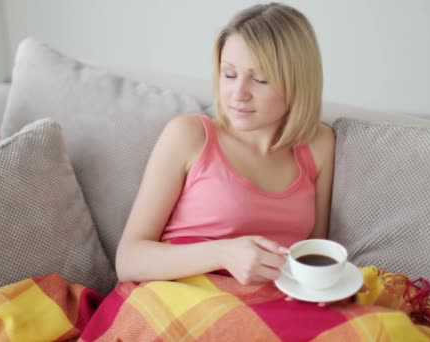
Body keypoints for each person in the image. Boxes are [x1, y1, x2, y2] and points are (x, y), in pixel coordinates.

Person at [116, 2, 335, 288]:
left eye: (260, 79)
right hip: (180, 297)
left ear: (297, 84)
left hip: (271, 306)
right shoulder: (189, 135)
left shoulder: (318, 145)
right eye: (229, 74)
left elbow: (315, 257)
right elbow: (128, 261)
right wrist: (223, 253)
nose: (238, 94)